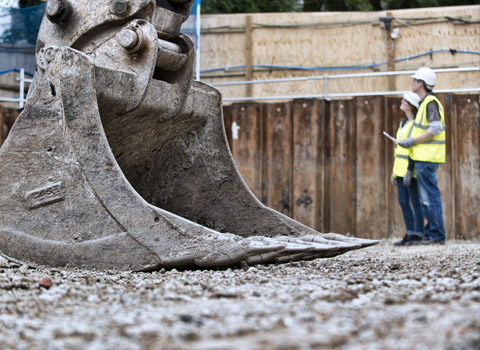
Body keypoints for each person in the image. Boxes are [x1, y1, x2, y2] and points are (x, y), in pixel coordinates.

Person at [397, 67, 446, 245]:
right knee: (427, 199)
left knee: (431, 198)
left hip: (428, 158)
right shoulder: (426, 103)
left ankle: (437, 235)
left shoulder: (430, 103)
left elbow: (435, 128)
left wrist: (414, 141)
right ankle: (431, 232)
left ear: (421, 84)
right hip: (423, 158)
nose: (412, 83)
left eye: (414, 80)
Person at [392, 92, 425, 246]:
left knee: (415, 202)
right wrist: (394, 170)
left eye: (405, 100)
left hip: (409, 170)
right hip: (399, 169)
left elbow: (414, 147)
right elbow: (399, 149)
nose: (402, 101)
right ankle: (410, 233)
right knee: (403, 202)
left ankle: (418, 234)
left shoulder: (415, 125)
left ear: (411, 105)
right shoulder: (403, 123)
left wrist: (409, 169)